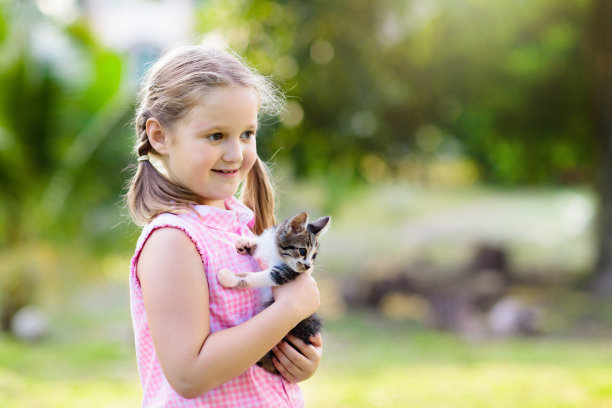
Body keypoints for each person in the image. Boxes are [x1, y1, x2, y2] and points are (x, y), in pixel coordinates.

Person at [125, 45, 322, 407]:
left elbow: (255, 344)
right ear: (159, 136)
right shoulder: (174, 240)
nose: (236, 153)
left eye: (247, 134)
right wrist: (289, 310)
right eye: (216, 136)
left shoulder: (240, 228)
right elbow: (189, 373)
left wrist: (296, 359)